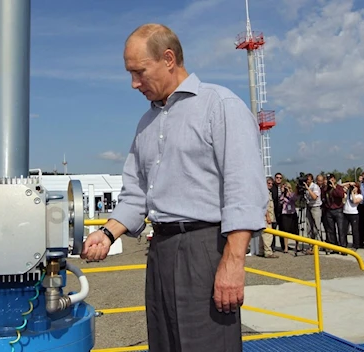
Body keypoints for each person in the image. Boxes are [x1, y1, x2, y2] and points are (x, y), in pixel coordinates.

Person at [80, 24, 268, 352]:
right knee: (164, 344)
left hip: (206, 249)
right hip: (161, 248)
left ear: (169, 59)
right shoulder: (146, 124)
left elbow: (243, 188)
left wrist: (233, 261)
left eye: (139, 72)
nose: (134, 83)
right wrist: (108, 234)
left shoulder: (220, 105)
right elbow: (138, 192)